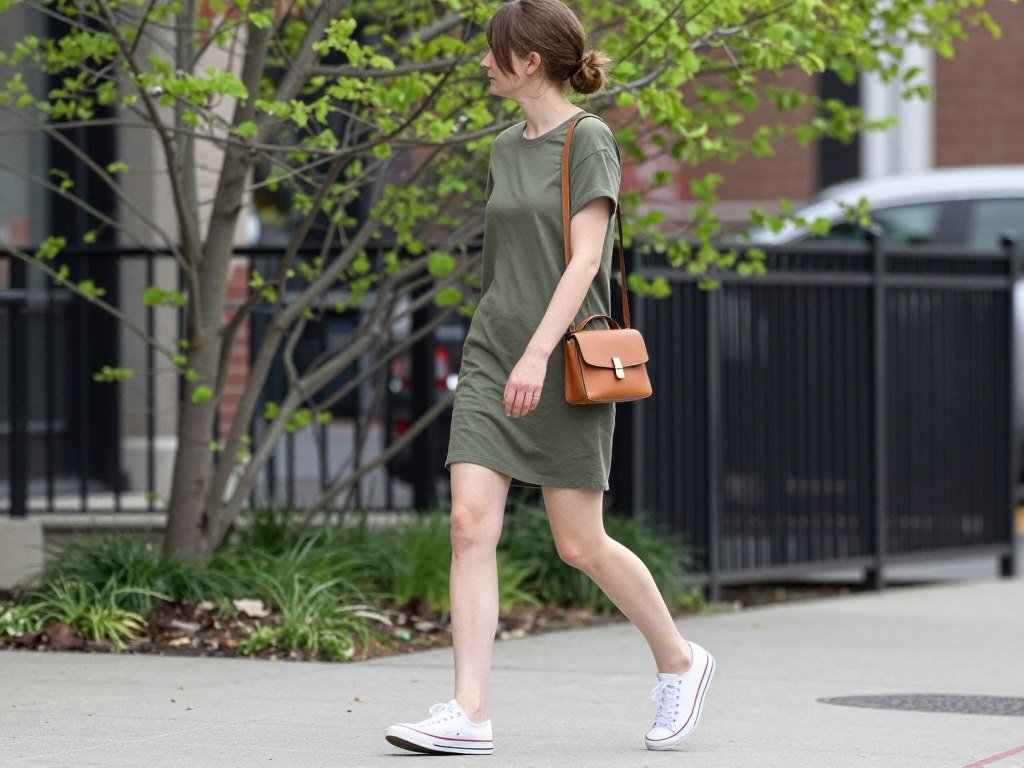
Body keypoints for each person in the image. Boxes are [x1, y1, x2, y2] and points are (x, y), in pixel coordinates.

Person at [385, 0, 714, 755]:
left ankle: (681, 661)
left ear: (529, 61)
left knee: (579, 543)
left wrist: (536, 353)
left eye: (492, 52)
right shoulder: (504, 146)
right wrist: (504, 349)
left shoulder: (588, 139)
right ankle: (469, 712)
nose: (481, 62)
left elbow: (585, 261)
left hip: (561, 358)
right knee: (469, 525)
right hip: (491, 350)